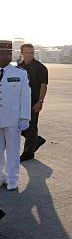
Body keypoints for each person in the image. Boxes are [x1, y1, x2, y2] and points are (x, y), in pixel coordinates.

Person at [0, 40, 31, 191]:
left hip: (13, 120)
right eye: (2, 53)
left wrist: (25, 117)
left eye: (8, 53)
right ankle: (0, 177)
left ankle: (12, 180)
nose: (6, 56)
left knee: (13, 153)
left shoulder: (20, 73)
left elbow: (25, 96)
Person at [17, 43, 48, 161]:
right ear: (22, 53)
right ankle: (37, 140)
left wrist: (40, 101)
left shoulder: (40, 68)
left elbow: (43, 85)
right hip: (20, 103)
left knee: (31, 127)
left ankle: (28, 153)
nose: (29, 55)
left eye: (32, 53)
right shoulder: (19, 68)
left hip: (34, 101)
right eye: (27, 53)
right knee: (18, 126)